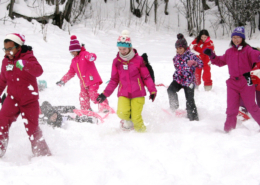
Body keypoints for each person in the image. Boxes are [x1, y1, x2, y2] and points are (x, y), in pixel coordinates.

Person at [0, 33, 51, 157]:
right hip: (12, 99)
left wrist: (25, 64)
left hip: (29, 100)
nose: (7, 52)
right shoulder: (6, 61)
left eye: (10, 49)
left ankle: (42, 154)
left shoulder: (27, 57)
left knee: (32, 129)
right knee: (1, 122)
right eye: (5, 49)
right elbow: (2, 80)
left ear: (18, 47)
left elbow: (39, 71)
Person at [96, 30, 157, 132]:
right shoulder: (116, 62)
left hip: (138, 93)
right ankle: (128, 122)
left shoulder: (138, 60)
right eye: (120, 49)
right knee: (121, 113)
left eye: (124, 49)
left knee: (136, 117)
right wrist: (105, 94)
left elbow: (146, 77)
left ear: (129, 47)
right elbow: (114, 80)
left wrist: (152, 90)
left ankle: (143, 135)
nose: (122, 51)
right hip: (123, 92)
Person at [204, 26, 260, 132]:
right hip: (233, 82)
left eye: (238, 37)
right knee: (231, 109)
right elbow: (220, 61)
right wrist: (212, 55)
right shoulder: (229, 52)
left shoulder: (248, 50)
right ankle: (229, 130)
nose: (236, 39)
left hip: (246, 80)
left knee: (252, 107)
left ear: (243, 38)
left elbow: (256, 56)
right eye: (234, 37)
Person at [56, 35, 109, 112]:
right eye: (71, 52)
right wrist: (63, 80)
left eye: (73, 51)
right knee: (83, 96)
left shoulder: (84, 54)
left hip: (92, 79)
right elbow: (70, 72)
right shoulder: (74, 61)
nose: (72, 53)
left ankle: (104, 106)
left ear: (77, 49)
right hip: (83, 82)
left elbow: (91, 56)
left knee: (93, 95)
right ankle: (86, 109)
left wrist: (92, 57)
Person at [167, 33, 203, 121]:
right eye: (177, 49)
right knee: (170, 90)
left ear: (185, 47)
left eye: (181, 48)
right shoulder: (176, 58)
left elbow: (201, 64)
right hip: (178, 79)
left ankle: (193, 117)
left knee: (190, 99)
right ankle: (174, 106)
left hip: (189, 80)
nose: (179, 50)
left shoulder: (191, 56)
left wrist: (195, 63)